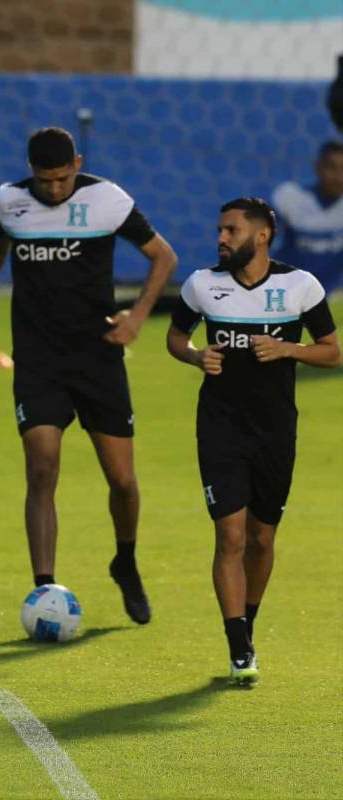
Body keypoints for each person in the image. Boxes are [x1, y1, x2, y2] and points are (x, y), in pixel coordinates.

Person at [0, 126, 178, 623]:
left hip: (98, 356)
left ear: (77, 163)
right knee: (42, 467)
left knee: (122, 480)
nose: (54, 189)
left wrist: (137, 316)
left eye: (62, 178)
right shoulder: (10, 201)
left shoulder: (107, 200)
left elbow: (164, 256)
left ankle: (125, 561)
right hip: (38, 359)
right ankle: (44, 590)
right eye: (44, 180)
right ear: (30, 171)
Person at [167, 197, 339, 685]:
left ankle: (248, 624)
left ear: (262, 236)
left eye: (232, 230)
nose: (221, 238)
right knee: (231, 536)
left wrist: (287, 348)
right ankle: (238, 647)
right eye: (220, 230)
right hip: (219, 426)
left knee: (262, 539)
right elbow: (176, 336)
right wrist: (196, 356)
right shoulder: (202, 285)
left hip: (275, 430)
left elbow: (331, 352)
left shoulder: (300, 286)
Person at [272, 141, 343, 294]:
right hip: (289, 290)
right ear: (317, 167)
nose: (339, 177)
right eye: (332, 168)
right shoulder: (291, 197)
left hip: (334, 296)